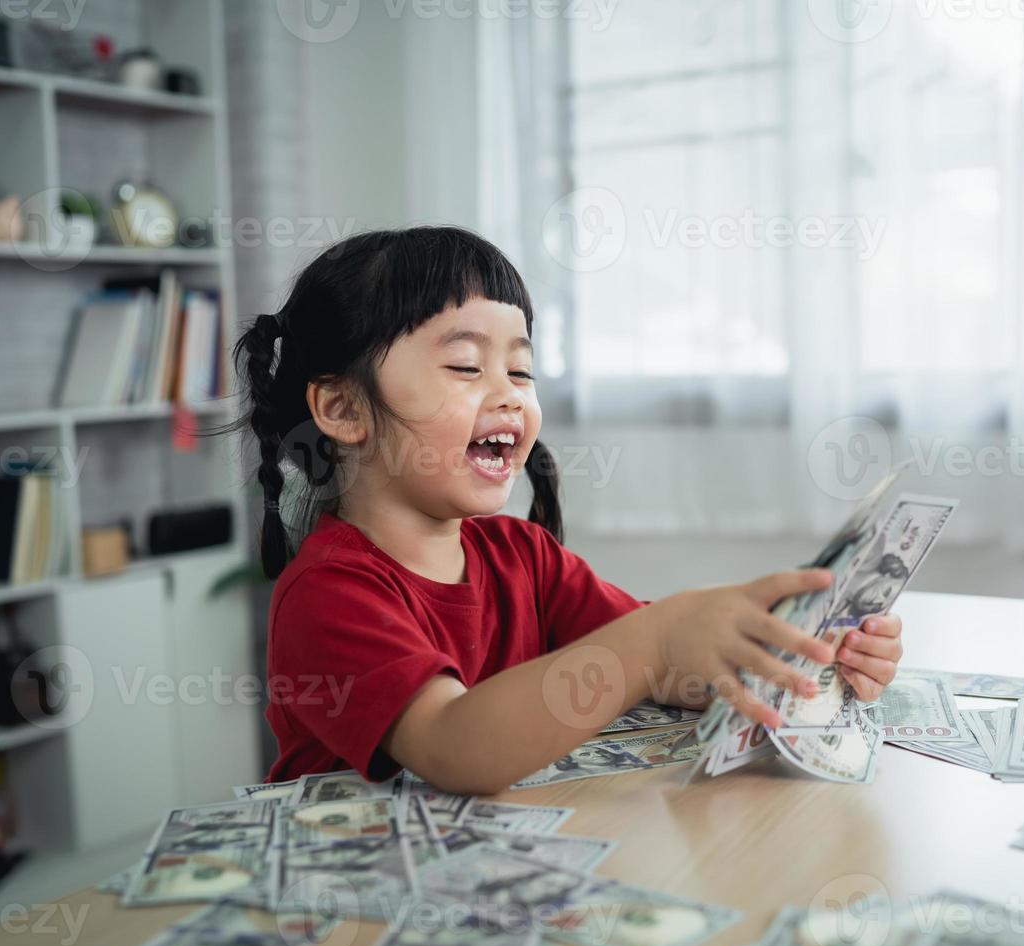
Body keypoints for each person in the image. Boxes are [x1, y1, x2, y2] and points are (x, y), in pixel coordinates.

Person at [223, 228, 904, 795]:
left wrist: (798, 657)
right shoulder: (329, 594)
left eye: (521, 371)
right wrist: (655, 636)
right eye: (466, 367)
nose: (511, 395)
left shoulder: (526, 557)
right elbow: (457, 748)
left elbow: (670, 674)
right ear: (342, 409)